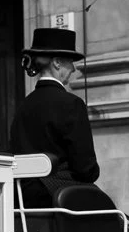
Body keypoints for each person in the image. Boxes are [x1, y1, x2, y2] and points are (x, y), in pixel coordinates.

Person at [8, 26, 99, 203]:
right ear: (57, 62)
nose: (73, 69)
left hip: (22, 197)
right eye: (70, 62)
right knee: (118, 224)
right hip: (58, 194)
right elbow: (85, 169)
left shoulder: (23, 106)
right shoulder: (71, 103)